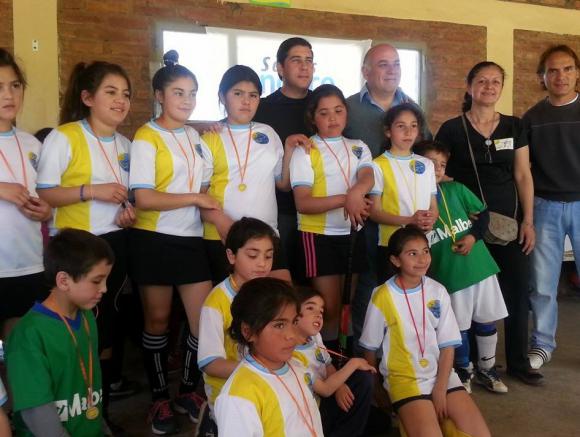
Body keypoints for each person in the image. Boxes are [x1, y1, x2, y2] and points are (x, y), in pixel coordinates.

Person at [36, 60, 135, 425]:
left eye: (125, 94)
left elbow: (127, 197)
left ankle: (99, 414)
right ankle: (67, 414)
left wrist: (128, 213)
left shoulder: (126, 144)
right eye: (111, 92)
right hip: (76, 248)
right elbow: (45, 193)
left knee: (105, 331)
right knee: (74, 330)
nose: (120, 100)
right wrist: (91, 190)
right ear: (88, 97)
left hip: (114, 244)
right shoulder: (65, 137)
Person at [129, 52, 218, 434]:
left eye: (192, 93)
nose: (187, 100)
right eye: (178, 92)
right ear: (159, 96)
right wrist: (196, 198)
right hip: (153, 238)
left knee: (203, 322)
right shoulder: (145, 137)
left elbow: (204, 181)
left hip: (191, 238)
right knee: (158, 321)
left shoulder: (195, 137)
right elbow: (143, 198)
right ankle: (159, 398)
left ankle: (186, 391)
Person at [435, 61, 540, 386]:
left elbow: (523, 175)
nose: (489, 87)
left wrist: (528, 221)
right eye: (482, 81)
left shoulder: (514, 126)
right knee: (466, 294)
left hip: (509, 224)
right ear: (469, 87)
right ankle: (463, 365)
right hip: (467, 226)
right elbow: (437, 170)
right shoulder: (452, 129)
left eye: (496, 81)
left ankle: (518, 362)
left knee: (517, 290)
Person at [360, 226, 490, 437]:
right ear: (395, 260)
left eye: (425, 251)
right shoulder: (382, 295)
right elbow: (369, 348)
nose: (422, 259)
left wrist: (440, 388)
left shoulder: (438, 290)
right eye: (412, 253)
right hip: (404, 380)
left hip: (442, 375)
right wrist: (376, 389)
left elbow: (448, 346)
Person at [344, 43, 432, 346]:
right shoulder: (349, 108)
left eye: (396, 63)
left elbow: (425, 152)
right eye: (383, 64)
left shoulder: (412, 105)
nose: (391, 70)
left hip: (410, 216)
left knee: (408, 283)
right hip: (363, 211)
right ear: (365, 71)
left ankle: (403, 346)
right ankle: (365, 350)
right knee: (370, 284)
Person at [416, 140, 508, 394]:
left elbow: (483, 214)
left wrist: (472, 237)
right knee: (458, 327)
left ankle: (487, 369)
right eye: (431, 163)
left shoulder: (456, 188)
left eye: (442, 164)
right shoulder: (412, 199)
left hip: (480, 267)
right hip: (449, 274)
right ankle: (463, 370)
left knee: (487, 320)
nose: (437, 168)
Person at [6, 228, 114, 437]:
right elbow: (38, 414)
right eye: (96, 281)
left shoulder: (87, 317)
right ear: (64, 280)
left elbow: (89, 385)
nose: (104, 289)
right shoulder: (28, 335)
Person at [290, 83, 374, 350]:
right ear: (313, 117)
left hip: (352, 234)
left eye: (338, 111)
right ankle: (323, 359)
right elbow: (303, 203)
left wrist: (357, 191)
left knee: (347, 303)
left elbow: (367, 176)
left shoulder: (358, 146)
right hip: (318, 237)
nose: (333, 118)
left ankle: (341, 356)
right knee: (328, 307)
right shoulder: (306, 150)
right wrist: (347, 199)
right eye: (324, 113)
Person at [201, 65, 296, 283]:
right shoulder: (209, 138)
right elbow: (199, 195)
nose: (246, 101)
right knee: (234, 301)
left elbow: (282, 184)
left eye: (253, 95)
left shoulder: (268, 133)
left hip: (267, 237)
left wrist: (290, 149)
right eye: (238, 94)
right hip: (222, 237)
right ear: (222, 97)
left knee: (281, 296)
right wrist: (222, 222)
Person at [524, 45, 580, 372]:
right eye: (553, 70)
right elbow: (524, 169)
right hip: (545, 206)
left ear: (577, 73)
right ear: (542, 77)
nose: (561, 76)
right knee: (543, 284)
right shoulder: (532, 118)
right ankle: (543, 344)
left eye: (568, 69)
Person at [197, 217, 278, 436]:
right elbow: (210, 363)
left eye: (268, 256)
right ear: (231, 256)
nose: (262, 263)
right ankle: (211, 422)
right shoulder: (216, 303)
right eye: (252, 255)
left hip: (267, 383)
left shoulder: (274, 295)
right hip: (230, 393)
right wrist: (259, 369)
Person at [215, 277, 324, 437]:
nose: (291, 335)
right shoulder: (238, 397)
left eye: (294, 322)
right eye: (279, 325)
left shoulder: (297, 366)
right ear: (248, 332)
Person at [0, 48, 51, 340]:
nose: (9, 95)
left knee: (19, 350)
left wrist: (46, 210)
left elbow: (46, 195)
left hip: (29, 264)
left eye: (15, 85)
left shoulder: (32, 143)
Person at [254, 37, 314, 280]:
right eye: (296, 60)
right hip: (279, 210)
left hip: (319, 209)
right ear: (280, 68)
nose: (304, 66)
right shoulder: (263, 108)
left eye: (309, 60)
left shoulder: (322, 106)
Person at [369, 103, 438, 284]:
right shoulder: (377, 165)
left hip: (423, 245)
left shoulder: (427, 164)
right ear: (388, 131)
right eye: (401, 126)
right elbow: (374, 212)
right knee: (393, 297)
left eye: (413, 126)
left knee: (422, 295)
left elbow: (433, 206)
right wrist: (409, 221)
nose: (408, 132)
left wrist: (431, 219)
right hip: (392, 245)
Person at [293, 287, 374, 437]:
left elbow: (328, 365)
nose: (318, 314)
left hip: (324, 396)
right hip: (311, 412)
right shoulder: (291, 354)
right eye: (310, 308)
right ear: (292, 314)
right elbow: (325, 389)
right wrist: (354, 363)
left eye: (321, 311)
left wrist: (340, 387)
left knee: (363, 378)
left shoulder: (314, 337)